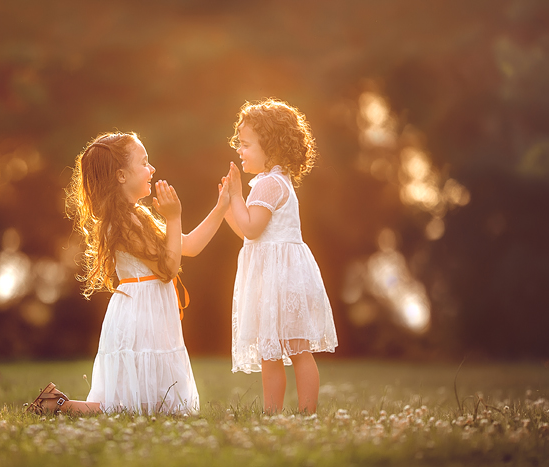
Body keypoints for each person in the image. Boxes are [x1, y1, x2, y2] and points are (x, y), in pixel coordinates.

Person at [27, 131, 229, 415]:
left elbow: (190, 246)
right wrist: (173, 217)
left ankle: (55, 404)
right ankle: (58, 405)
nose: (152, 169)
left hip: (150, 309)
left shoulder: (138, 216)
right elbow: (168, 268)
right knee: (128, 408)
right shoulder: (121, 221)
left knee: (148, 407)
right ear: (121, 175)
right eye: (144, 162)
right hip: (140, 314)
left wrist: (221, 207)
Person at [223, 99, 338, 414]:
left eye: (246, 145)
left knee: (290, 351)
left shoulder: (268, 185)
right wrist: (227, 207)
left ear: (270, 147)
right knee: (274, 351)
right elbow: (248, 232)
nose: (240, 151)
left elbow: (251, 229)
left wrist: (236, 196)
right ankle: (280, 414)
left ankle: (299, 413)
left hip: (280, 278)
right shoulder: (271, 182)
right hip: (276, 276)